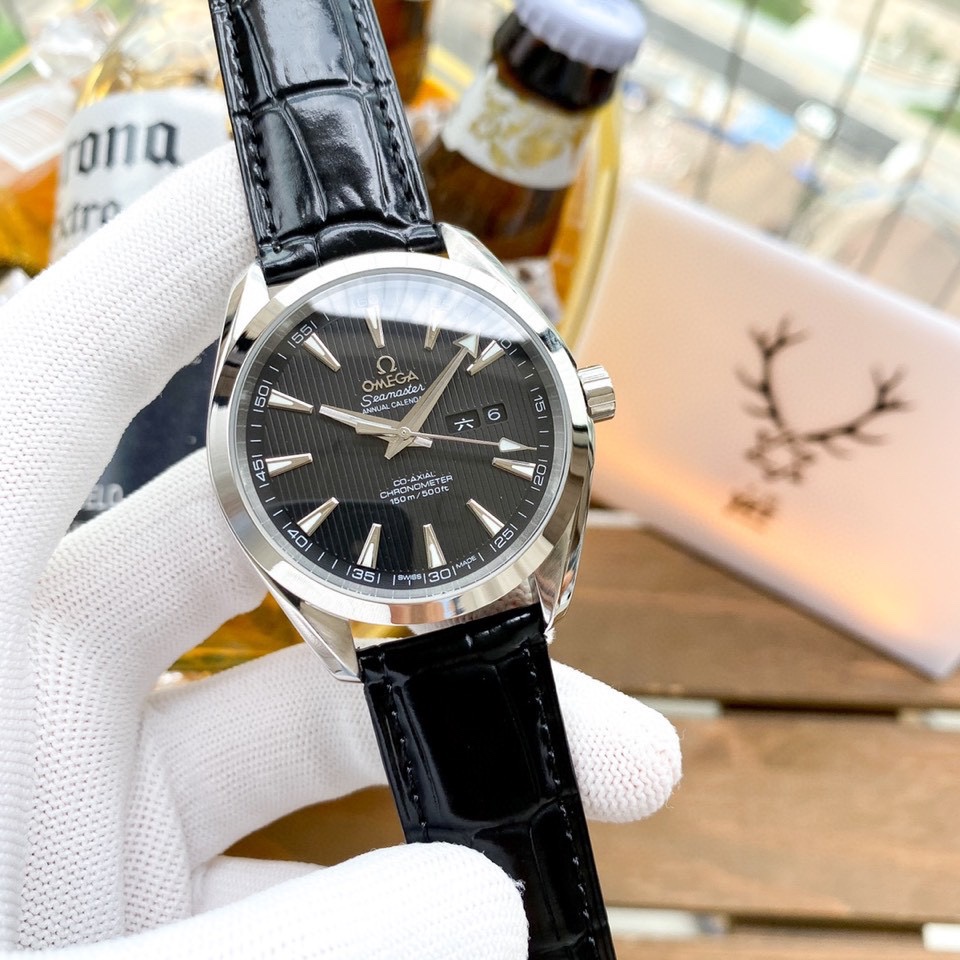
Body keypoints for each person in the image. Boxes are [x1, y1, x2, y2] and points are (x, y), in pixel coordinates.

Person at [0, 143, 681, 958]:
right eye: (385, 436)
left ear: (572, 395)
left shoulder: (461, 278)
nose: (400, 443)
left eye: (407, 432)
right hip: (389, 590)